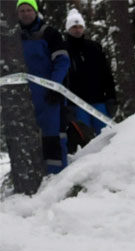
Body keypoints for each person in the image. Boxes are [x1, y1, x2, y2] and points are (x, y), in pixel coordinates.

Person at [17, 0, 70, 175]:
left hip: (49, 95)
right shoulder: (13, 36)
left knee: (53, 137)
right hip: (24, 97)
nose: (25, 13)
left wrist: (55, 86)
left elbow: (62, 61)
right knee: (28, 140)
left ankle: (58, 177)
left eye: (28, 9)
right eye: (21, 10)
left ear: (36, 11)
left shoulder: (49, 33)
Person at [63, 9, 116, 137]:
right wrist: (66, 105)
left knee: (106, 137)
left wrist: (111, 97)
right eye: (74, 27)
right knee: (85, 140)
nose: (77, 30)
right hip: (76, 103)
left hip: (99, 101)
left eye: (80, 26)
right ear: (68, 29)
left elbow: (106, 74)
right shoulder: (63, 49)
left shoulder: (94, 47)